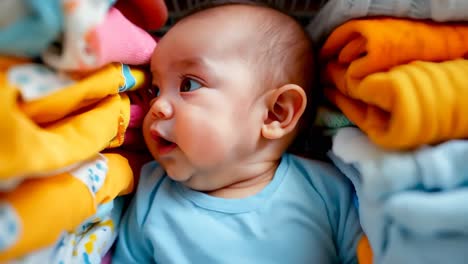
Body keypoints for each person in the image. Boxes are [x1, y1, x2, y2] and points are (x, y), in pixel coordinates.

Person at [112, 2, 362, 263]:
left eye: (189, 84)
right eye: (155, 90)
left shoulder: (326, 191)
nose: (157, 106)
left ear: (275, 113)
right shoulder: (150, 193)